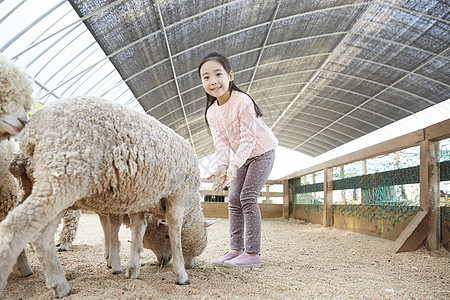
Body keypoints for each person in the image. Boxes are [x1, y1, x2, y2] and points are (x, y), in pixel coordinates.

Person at [198, 52, 278, 268]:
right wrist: (223, 167)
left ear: (230, 75)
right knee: (233, 199)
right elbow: (221, 142)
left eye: (217, 74)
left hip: (262, 152)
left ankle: (252, 255)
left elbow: (249, 137)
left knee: (248, 197)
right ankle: (235, 250)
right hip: (241, 159)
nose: (213, 81)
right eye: (206, 77)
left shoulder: (242, 101)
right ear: (202, 82)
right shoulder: (212, 112)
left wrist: (234, 164)